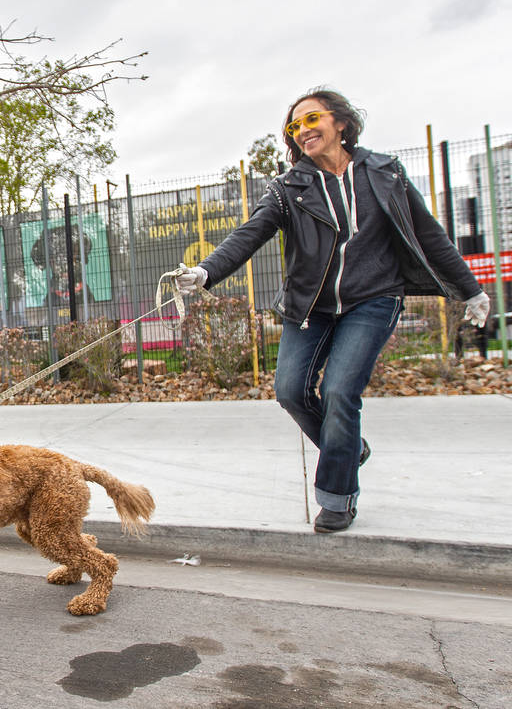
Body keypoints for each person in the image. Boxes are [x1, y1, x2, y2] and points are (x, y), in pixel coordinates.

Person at [169, 89, 488, 534]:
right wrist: (205, 272)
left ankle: (337, 497)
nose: (302, 131)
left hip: (373, 300)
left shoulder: (385, 172)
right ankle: (348, 447)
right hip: (309, 307)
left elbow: (429, 234)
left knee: (340, 391)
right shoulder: (289, 187)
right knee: (290, 392)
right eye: (294, 127)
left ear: (341, 122)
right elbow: (249, 233)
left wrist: (470, 290)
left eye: (311, 119)